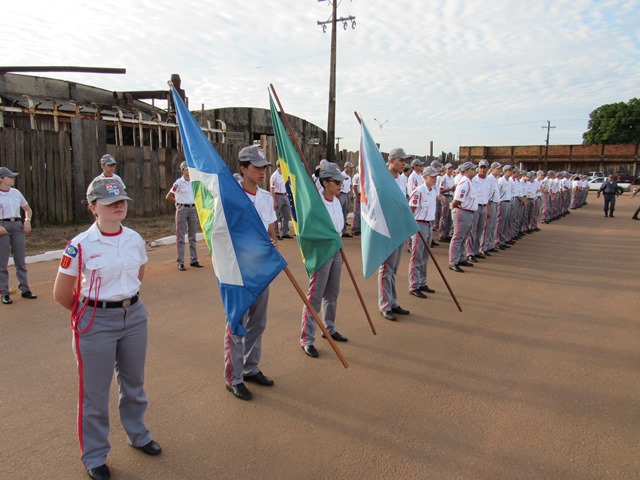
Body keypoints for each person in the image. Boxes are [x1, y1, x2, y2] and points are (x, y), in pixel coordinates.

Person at [53, 177, 161, 480]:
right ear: (92, 207)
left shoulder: (135, 238)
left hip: (133, 316)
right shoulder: (79, 246)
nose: (118, 205)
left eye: (122, 200)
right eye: (109, 201)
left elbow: (137, 275)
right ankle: (95, 456)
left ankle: (138, 434)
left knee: (134, 384)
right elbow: (62, 294)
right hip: (95, 320)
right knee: (94, 395)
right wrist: (93, 314)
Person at [224, 145, 278, 401]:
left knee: (258, 322)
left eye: (264, 167)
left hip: (261, 270)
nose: (261, 172)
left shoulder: (266, 197)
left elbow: (270, 230)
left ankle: (250, 367)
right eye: (256, 167)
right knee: (237, 324)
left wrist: (271, 243)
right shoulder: (231, 197)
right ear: (243, 168)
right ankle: (233, 378)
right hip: (237, 271)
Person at [300, 162, 348, 358]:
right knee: (315, 296)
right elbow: (309, 230)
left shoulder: (336, 201)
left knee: (332, 293)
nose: (340, 185)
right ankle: (306, 339)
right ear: (326, 183)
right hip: (321, 252)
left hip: (336, 250)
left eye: (340, 182)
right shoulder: (316, 204)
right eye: (336, 182)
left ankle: (329, 327)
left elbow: (339, 228)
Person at [378, 148, 411, 321]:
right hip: (387, 228)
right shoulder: (383, 178)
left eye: (405, 161)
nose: (404, 163)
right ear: (391, 161)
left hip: (400, 227)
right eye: (401, 160)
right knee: (387, 269)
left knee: (394, 269)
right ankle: (385, 304)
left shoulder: (403, 178)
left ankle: (393, 302)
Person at [0, 167, 37, 305]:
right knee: (2, 262)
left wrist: (27, 221)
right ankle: (4, 292)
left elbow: (27, 209)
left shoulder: (16, 192)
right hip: (2, 226)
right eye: (10, 177)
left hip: (17, 225)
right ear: (1, 179)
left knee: (20, 260)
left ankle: (25, 289)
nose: (13, 178)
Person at [407, 166, 443, 298]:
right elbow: (411, 210)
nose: (434, 179)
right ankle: (413, 285)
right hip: (419, 224)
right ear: (424, 177)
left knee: (425, 256)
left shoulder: (433, 191)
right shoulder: (419, 191)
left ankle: (422, 282)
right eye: (432, 177)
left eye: (435, 177)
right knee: (416, 256)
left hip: (429, 225)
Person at [166, 161, 202, 271]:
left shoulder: (194, 182)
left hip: (192, 208)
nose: (189, 171)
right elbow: (169, 196)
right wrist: (177, 202)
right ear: (182, 170)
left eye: (190, 169)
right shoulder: (179, 182)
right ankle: (180, 262)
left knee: (192, 235)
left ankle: (194, 259)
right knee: (180, 236)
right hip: (182, 208)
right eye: (187, 169)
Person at [448, 162, 478, 273]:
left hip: (468, 212)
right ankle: (453, 261)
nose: (475, 170)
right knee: (458, 237)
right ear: (466, 171)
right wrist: (453, 206)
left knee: (463, 237)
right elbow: (457, 199)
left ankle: (460, 258)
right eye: (473, 169)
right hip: (462, 211)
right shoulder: (464, 182)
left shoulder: (470, 182)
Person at [270, 160, 292, 240]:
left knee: (286, 214)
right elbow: (272, 188)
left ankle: (284, 232)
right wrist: (274, 200)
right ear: (279, 166)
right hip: (278, 196)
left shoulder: (284, 175)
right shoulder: (274, 176)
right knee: (276, 216)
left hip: (285, 195)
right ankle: (276, 234)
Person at [339, 162, 354, 237]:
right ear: (346, 167)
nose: (351, 169)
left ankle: (343, 230)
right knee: (340, 212)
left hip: (346, 194)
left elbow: (349, 187)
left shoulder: (349, 177)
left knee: (345, 212)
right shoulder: (341, 175)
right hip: (341, 194)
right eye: (350, 167)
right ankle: (339, 230)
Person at [351, 167, 361, 236]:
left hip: (363, 195)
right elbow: (354, 187)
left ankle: (359, 228)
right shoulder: (357, 176)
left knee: (361, 213)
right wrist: (357, 197)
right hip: (358, 195)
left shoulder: (362, 176)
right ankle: (355, 228)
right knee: (356, 212)